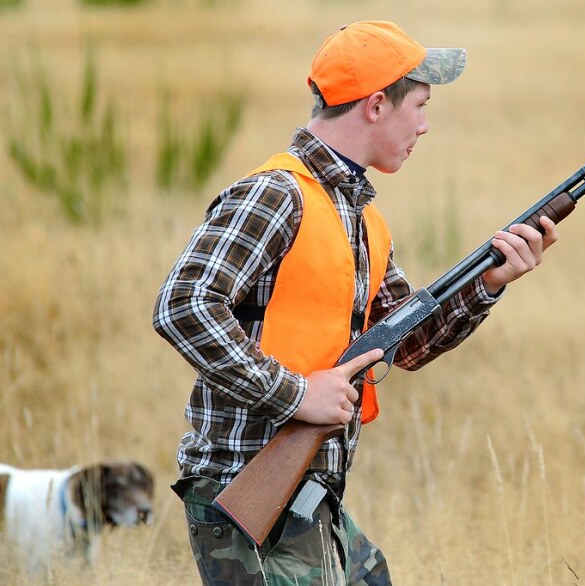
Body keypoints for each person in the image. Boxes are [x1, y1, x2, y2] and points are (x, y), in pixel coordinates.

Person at [153, 20, 558, 585]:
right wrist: (296, 393)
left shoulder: (361, 216)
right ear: (374, 106)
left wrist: (488, 283)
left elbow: (409, 341)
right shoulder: (277, 194)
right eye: (419, 105)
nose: (425, 125)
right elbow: (184, 305)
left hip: (311, 495)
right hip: (244, 487)